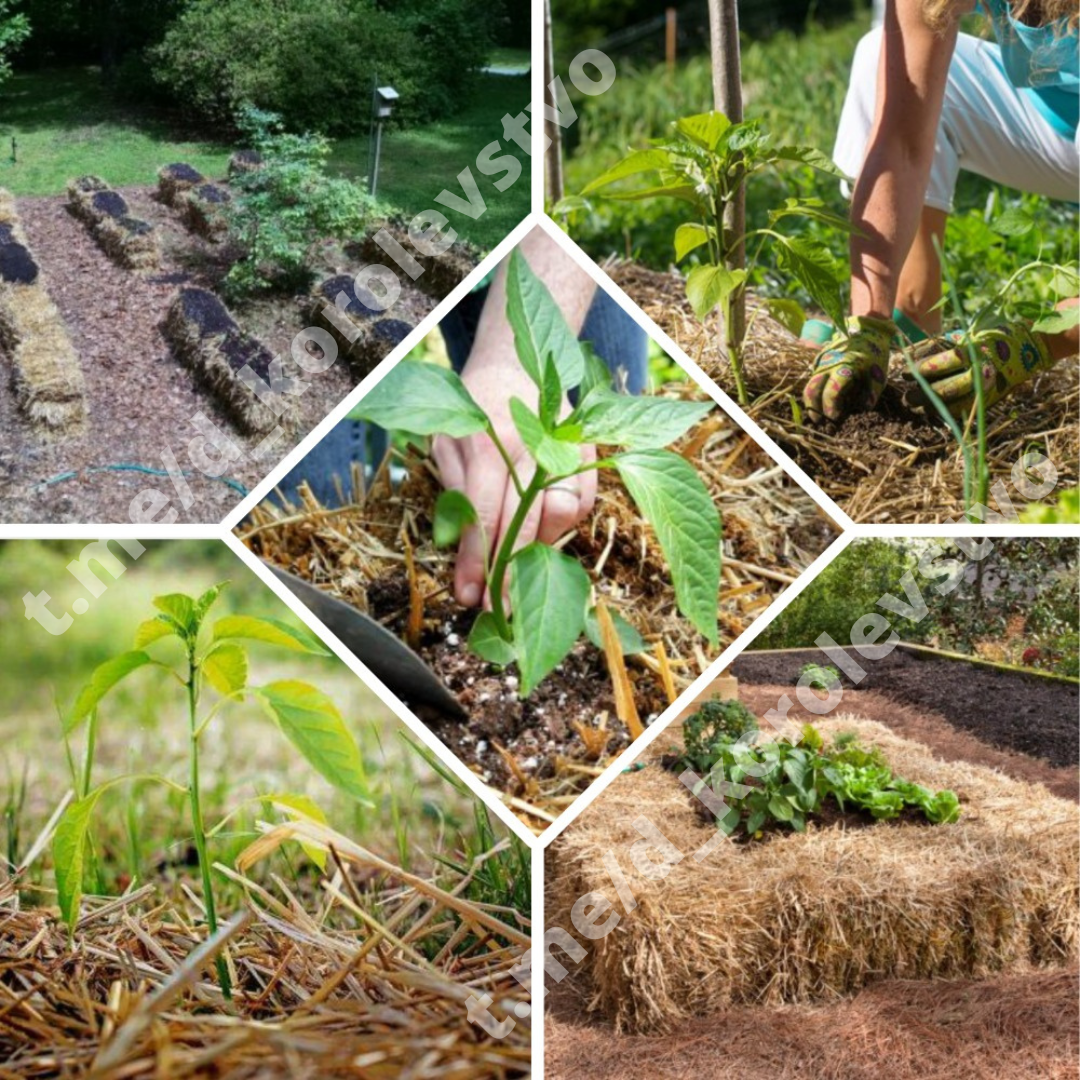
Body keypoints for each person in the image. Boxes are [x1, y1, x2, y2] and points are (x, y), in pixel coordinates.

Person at [277, 227, 648, 609]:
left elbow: (557, 202)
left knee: (609, 461)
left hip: (519, 215)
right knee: (306, 521)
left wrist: (511, 362)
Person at [803, 0, 1079, 424]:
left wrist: (1041, 340)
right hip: (1056, 114)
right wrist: (868, 321)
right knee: (881, 53)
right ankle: (910, 311)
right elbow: (902, 138)